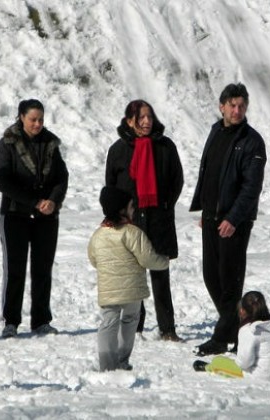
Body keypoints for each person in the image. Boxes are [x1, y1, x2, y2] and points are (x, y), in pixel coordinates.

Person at [189, 83, 267, 356]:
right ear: (221, 106)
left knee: (230, 281)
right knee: (211, 277)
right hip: (211, 218)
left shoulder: (252, 141)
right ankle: (238, 328)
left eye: (241, 106)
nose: (237, 110)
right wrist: (204, 208)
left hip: (235, 222)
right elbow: (208, 172)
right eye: (232, 105)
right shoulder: (216, 131)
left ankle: (223, 337)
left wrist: (233, 218)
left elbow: (251, 187)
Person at [105, 100, 184, 341]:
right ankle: (134, 327)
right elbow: (111, 186)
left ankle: (167, 328)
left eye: (149, 116)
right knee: (132, 277)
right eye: (140, 118)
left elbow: (176, 180)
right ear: (129, 121)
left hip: (159, 219)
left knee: (160, 275)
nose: (146, 121)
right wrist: (117, 214)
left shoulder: (165, 146)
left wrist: (165, 205)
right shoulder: (118, 150)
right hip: (129, 222)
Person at [0, 99, 69, 338]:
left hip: (46, 217)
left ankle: (41, 320)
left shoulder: (50, 143)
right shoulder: (8, 143)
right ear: (21, 117)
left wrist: (53, 201)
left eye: (41, 119)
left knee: (42, 269)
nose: (37, 124)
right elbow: (3, 181)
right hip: (15, 214)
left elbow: (61, 177)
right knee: (15, 270)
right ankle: (11, 321)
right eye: (33, 119)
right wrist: (34, 201)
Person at [88, 187, 170, 371]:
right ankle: (122, 360)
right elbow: (147, 258)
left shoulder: (98, 235)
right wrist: (164, 261)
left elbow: (94, 259)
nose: (134, 210)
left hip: (109, 289)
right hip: (132, 291)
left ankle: (107, 364)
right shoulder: (133, 233)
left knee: (108, 322)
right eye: (131, 206)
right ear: (122, 210)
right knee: (130, 320)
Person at [193, 291, 270, 380]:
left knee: (218, 361)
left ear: (242, 310)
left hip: (264, 376)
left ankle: (208, 367)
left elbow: (244, 363)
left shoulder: (248, 329)